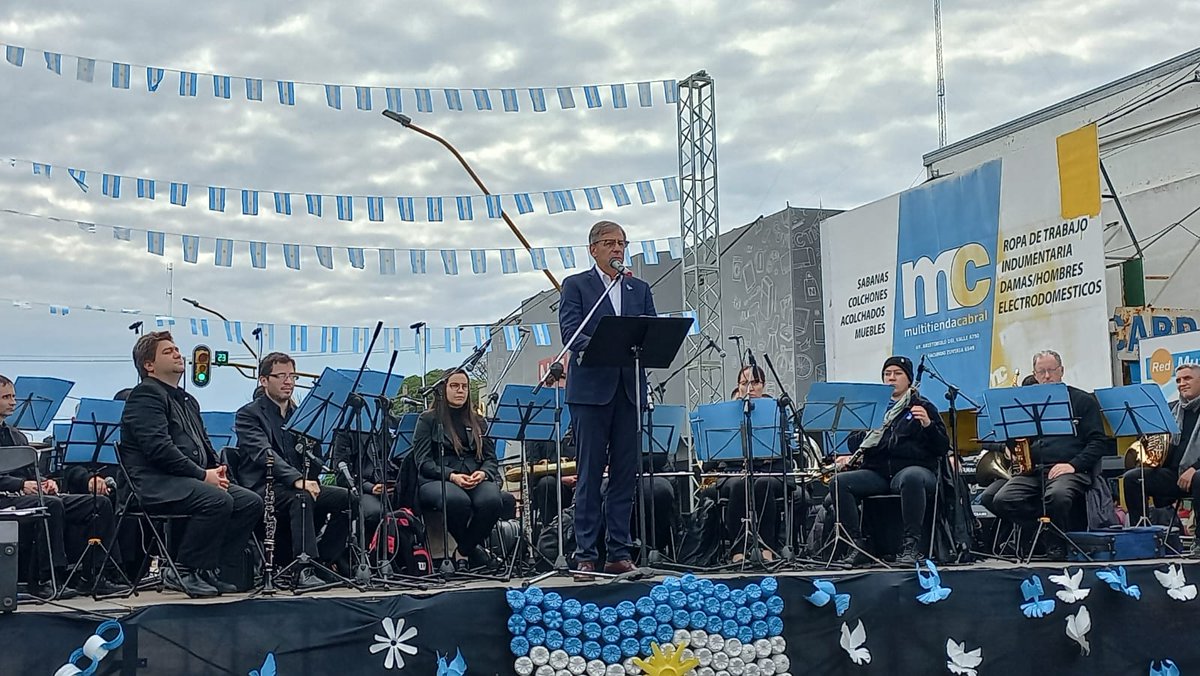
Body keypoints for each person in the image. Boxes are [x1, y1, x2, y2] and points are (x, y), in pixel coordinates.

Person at [119, 331, 263, 597]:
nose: (177, 353)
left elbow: (202, 444)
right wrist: (202, 475)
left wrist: (216, 469)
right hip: (155, 482)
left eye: (176, 349)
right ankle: (182, 569)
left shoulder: (186, 400)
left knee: (249, 502)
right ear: (149, 365)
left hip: (188, 480)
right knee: (217, 500)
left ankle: (210, 569)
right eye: (167, 351)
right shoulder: (145, 396)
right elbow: (159, 449)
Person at [558, 220, 657, 577]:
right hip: (590, 394)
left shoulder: (638, 288)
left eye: (622, 243)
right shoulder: (577, 286)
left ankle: (619, 551)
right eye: (610, 243)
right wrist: (604, 344)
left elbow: (650, 332)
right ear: (593, 249)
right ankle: (585, 552)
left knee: (624, 475)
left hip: (629, 391)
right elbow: (572, 333)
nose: (618, 249)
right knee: (588, 473)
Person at [234, 353, 354, 590]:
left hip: (299, 486)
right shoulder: (249, 414)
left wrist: (313, 449)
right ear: (264, 380)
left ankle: (323, 561)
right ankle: (302, 569)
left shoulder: (302, 415)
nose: (288, 381)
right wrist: (298, 479)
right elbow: (264, 453)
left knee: (350, 499)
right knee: (301, 498)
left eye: (292, 376)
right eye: (281, 376)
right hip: (265, 488)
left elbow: (316, 460)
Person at [0, 375, 120, 597]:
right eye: (6, 397)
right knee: (52, 506)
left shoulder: (16, 436)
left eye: (13, 396)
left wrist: (45, 482)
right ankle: (49, 577)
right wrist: (21, 484)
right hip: (4, 498)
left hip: (25, 495)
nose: (13, 402)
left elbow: (32, 472)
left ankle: (96, 574)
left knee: (98, 504)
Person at [826, 356, 948, 564]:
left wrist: (928, 425)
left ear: (908, 379)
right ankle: (857, 545)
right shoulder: (874, 408)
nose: (891, 378)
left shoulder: (923, 406)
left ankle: (911, 546)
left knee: (912, 477)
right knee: (839, 482)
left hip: (914, 470)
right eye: (887, 374)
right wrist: (867, 431)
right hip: (879, 472)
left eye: (897, 373)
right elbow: (855, 445)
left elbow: (942, 447)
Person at [988, 350, 1108, 559]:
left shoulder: (1082, 400)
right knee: (1001, 499)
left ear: (1061, 371)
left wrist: (1073, 465)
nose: (1046, 376)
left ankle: (1057, 545)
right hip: (1034, 471)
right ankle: (1043, 531)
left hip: (1069, 469)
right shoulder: (1025, 405)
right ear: (1034, 374)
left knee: (1057, 496)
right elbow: (1013, 439)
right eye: (1041, 372)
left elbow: (1098, 442)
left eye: (1051, 371)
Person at [411, 369, 503, 571]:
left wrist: (484, 473)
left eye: (464, 387)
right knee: (456, 501)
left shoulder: (479, 421)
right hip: (437, 478)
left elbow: (490, 459)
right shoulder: (428, 420)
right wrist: (451, 476)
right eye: (454, 386)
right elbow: (423, 462)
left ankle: (463, 551)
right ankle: (476, 552)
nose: (460, 391)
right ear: (443, 389)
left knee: (494, 500)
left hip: (474, 476)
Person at [702, 365, 787, 562]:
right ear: (738, 386)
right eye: (744, 383)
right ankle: (737, 552)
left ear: (763, 386)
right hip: (735, 472)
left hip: (769, 471)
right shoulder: (726, 414)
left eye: (755, 383)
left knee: (763, 484)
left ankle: (767, 550)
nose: (749, 388)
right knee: (740, 484)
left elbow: (789, 449)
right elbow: (712, 456)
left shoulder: (778, 411)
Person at [1121, 364, 1200, 543]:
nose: (1182, 384)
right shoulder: (1171, 410)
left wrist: (1194, 469)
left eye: (1187, 378)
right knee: (1134, 478)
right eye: (1178, 380)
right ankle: (1141, 539)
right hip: (1175, 474)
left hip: (1196, 473)